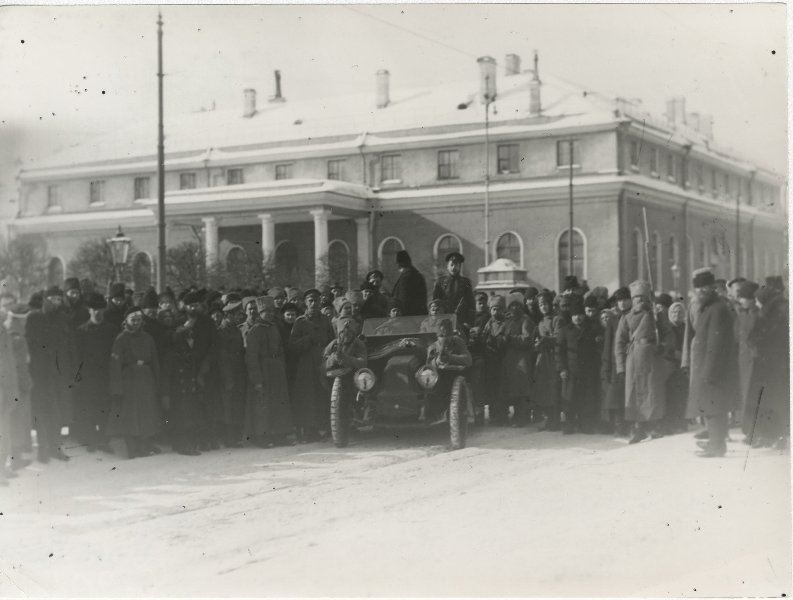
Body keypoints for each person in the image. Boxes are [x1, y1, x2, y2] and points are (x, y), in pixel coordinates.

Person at [683, 268, 738, 457]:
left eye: (702, 289)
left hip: (712, 367)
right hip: (707, 365)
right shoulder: (711, 307)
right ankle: (715, 441)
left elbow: (717, 344)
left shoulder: (717, 309)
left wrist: (709, 370)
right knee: (710, 406)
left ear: (710, 288)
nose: (699, 293)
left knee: (715, 407)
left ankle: (717, 446)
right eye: (697, 289)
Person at [615, 280, 675, 444]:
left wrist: (663, 346)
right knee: (635, 393)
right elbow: (619, 343)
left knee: (652, 392)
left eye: (643, 298)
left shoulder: (657, 315)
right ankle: (638, 428)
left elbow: (669, 334)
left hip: (653, 357)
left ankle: (654, 426)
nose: (640, 301)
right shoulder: (626, 318)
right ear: (632, 300)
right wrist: (620, 367)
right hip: (634, 359)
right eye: (637, 298)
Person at [25, 286, 74, 462]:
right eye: (54, 299)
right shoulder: (34, 318)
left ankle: (54, 447)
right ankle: (43, 450)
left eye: (59, 300)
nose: (57, 303)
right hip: (39, 374)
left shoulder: (61, 319)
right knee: (41, 412)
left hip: (57, 373)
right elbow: (29, 347)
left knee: (57, 412)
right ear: (46, 300)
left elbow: (65, 347)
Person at [107, 307, 163, 459]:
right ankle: (131, 449)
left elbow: (155, 361)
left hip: (146, 379)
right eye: (133, 320)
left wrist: (157, 382)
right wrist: (117, 388)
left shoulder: (148, 338)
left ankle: (143, 446)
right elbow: (115, 364)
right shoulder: (121, 339)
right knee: (131, 415)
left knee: (145, 413)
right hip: (129, 380)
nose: (136, 323)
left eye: (139, 320)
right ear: (126, 321)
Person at [245, 296, 294, 447]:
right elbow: (251, 357)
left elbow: (280, 350)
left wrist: (282, 367)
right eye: (267, 311)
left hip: (277, 369)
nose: (271, 314)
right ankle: (262, 436)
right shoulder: (255, 331)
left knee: (279, 402)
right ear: (260, 312)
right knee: (263, 404)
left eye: (272, 311)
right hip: (264, 369)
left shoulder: (274, 327)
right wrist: (257, 379)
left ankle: (280, 434)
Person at [744, 285, 789, 449]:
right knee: (769, 401)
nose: (756, 304)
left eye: (757, 300)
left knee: (774, 401)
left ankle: (778, 436)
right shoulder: (772, 311)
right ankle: (770, 435)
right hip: (770, 364)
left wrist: (756, 342)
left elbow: (769, 337)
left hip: (772, 365)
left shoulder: (775, 313)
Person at [289, 289, 335, 442]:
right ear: (305, 303)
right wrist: (308, 339)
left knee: (322, 393)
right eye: (310, 300)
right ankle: (309, 430)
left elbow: (332, 340)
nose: (314, 303)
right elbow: (293, 345)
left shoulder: (325, 320)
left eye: (316, 300)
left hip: (323, 361)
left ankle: (322, 427)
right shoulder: (300, 322)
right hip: (307, 363)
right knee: (308, 397)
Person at [73, 292, 117, 453]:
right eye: (94, 309)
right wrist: (78, 378)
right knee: (89, 409)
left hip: (105, 376)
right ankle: (91, 439)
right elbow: (77, 357)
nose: (97, 312)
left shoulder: (111, 330)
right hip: (88, 378)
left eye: (100, 309)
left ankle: (103, 440)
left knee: (104, 408)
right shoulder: (81, 331)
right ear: (89, 310)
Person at [556, 297, 600, 434]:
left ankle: (584, 423)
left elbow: (594, 351)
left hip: (586, 370)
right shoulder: (565, 330)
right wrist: (562, 368)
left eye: (580, 315)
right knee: (570, 397)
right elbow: (559, 351)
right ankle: (569, 423)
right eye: (574, 315)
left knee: (586, 398)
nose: (577, 318)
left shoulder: (590, 330)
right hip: (571, 370)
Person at [161, 326, 206, 456]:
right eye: (189, 339)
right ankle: (181, 444)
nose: (192, 341)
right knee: (179, 419)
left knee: (189, 418)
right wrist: (165, 396)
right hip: (177, 393)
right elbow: (166, 377)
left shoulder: (189, 353)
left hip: (188, 391)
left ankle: (187, 443)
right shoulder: (171, 355)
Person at [425, 318, 472, 421]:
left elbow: (468, 360)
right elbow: (428, 367)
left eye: (448, 335)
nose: (445, 338)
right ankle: (435, 413)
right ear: (437, 336)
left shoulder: (459, 342)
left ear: (452, 334)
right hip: (440, 377)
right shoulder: (433, 347)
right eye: (442, 335)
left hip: (456, 374)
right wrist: (437, 361)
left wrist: (451, 357)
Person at [4, 302, 33, 470]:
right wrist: (26, 384)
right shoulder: (18, 339)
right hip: (18, 387)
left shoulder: (6, 333)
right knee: (18, 422)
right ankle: (16, 459)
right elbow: (20, 366)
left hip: (7, 386)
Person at [216, 294, 247, 447]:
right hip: (228, 374)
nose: (239, 317)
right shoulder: (222, 331)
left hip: (238, 371)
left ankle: (235, 436)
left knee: (236, 405)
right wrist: (228, 378)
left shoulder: (234, 329)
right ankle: (228, 437)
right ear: (228, 315)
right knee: (227, 406)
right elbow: (222, 358)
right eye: (236, 314)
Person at [500, 292, 535, 426]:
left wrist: (511, 339)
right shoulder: (507, 321)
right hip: (510, 359)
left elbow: (527, 338)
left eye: (517, 306)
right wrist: (501, 340)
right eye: (511, 306)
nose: (514, 309)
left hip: (522, 358)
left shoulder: (525, 321)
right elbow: (503, 336)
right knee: (513, 389)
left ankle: (523, 416)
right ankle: (516, 415)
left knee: (522, 389)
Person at [601, 286, 631, 436]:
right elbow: (608, 344)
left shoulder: (634, 316)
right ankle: (619, 427)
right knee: (617, 397)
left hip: (632, 360)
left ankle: (631, 425)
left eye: (626, 300)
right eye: (620, 301)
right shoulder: (613, 320)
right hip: (615, 363)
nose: (623, 303)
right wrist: (606, 365)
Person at [531, 290, 561, 431]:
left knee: (553, 389)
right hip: (543, 359)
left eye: (545, 304)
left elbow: (559, 338)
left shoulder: (557, 319)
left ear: (550, 304)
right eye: (541, 304)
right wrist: (537, 343)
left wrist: (545, 340)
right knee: (544, 389)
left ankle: (555, 419)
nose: (543, 307)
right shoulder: (541, 322)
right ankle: (549, 418)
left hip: (554, 357)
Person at [734, 281, 759, 435]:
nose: (740, 301)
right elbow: (736, 336)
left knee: (753, 394)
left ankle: (754, 431)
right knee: (744, 393)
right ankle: (747, 429)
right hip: (742, 360)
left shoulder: (758, 314)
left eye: (743, 297)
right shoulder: (741, 315)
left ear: (751, 298)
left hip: (753, 360)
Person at [479, 294, 508, 425]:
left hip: (502, 359)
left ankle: (502, 415)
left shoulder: (506, 323)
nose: (496, 312)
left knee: (502, 389)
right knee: (492, 388)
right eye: (493, 309)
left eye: (498, 309)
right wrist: (484, 339)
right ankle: (493, 414)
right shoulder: (489, 323)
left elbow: (506, 339)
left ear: (503, 310)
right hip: (490, 360)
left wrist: (496, 341)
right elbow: (484, 337)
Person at [432, 252, 475, 330]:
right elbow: (435, 303)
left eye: (457, 265)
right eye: (451, 265)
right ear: (447, 266)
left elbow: (471, 304)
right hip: (443, 321)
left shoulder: (466, 282)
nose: (454, 267)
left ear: (460, 267)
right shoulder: (440, 282)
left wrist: (468, 322)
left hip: (461, 321)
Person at [663, 301, 689, 435]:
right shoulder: (666, 328)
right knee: (669, 394)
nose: (676, 314)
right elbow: (663, 345)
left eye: (679, 312)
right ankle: (669, 422)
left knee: (682, 393)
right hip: (669, 364)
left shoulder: (686, 327)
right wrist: (673, 353)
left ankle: (681, 421)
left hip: (683, 364)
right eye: (674, 312)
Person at [391, 250, 428, 316]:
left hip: (408, 316)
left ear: (399, 264)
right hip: (419, 314)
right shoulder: (417, 275)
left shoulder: (406, 277)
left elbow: (404, 299)